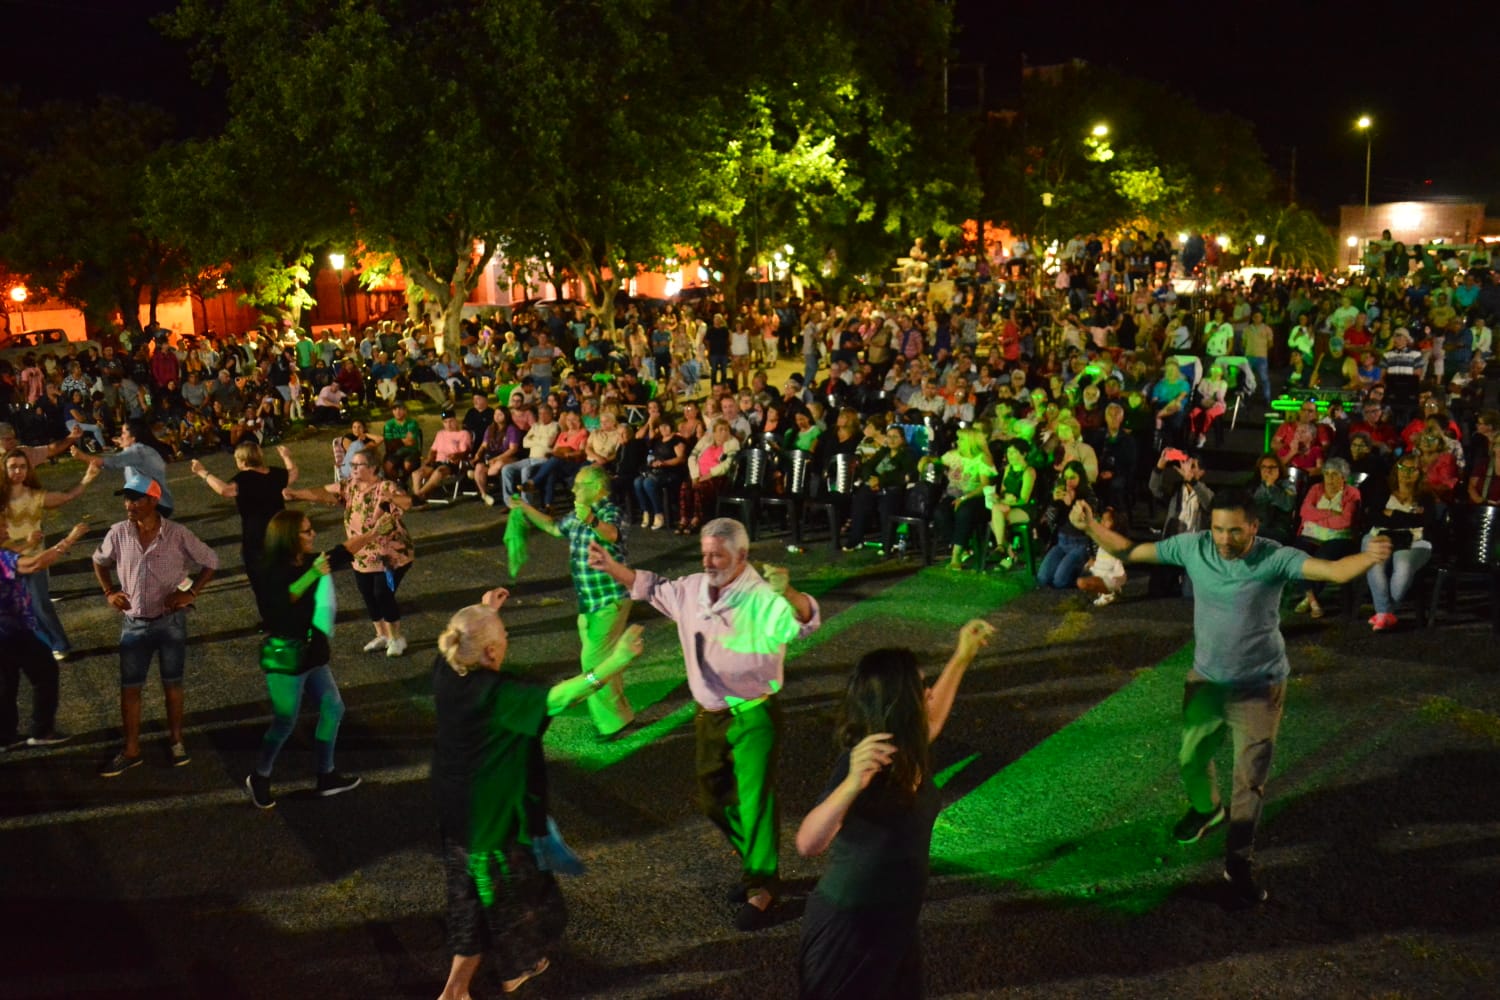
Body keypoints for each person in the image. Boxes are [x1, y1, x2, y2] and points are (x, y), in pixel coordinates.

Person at [1070, 490, 1392, 904]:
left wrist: (1369, 557)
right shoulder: (1195, 546)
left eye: (1235, 531)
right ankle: (1207, 810)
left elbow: (1331, 571)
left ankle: (1238, 862)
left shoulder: (1274, 557)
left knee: (1249, 781)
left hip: (1260, 686)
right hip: (1206, 679)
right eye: (1218, 529)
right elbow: (1132, 551)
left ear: (1254, 528)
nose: (1224, 539)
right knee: (1191, 758)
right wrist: (1090, 526)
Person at [586, 518, 820, 930]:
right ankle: (756, 868)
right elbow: (653, 586)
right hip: (709, 714)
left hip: (753, 714)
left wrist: (791, 593)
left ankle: (762, 888)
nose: (709, 561)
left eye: (718, 554)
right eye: (705, 553)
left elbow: (803, 623)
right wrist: (611, 566)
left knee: (754, 803)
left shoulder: (765, 595)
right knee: (713, 799)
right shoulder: (692, 588)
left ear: (742, 555)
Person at [432, 588, 645, 1000]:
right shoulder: (498, 695)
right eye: (504, 635)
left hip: (454, 814)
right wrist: (612, 664)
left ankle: (458, 988)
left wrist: (486, 611)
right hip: (492, 823)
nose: (508, 639)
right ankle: (505, 973)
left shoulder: (447, 669)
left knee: (468, 900)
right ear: (491, 651)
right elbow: (558, 698)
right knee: (515, 902)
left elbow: (465, 635)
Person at [795, 619, 995, 1000]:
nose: (930, 692)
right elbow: (808, 843)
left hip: (897, 923)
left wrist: (963, 656)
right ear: (900, 702)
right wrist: (852, 784)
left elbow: (934, 719)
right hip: (850, 931)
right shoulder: (866, 761)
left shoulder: (907, 746)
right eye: (922, 687)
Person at [244, 509, 381, 808]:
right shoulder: (268, 568)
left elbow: (341, 552)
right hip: (285, 656)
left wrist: (370, 535)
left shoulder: (308, 560)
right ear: (290, 537)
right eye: (306, 531)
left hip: (313, 653)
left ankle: (326, 775)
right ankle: (260, 775)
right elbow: (279, 604)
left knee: (333, 708)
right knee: (285, 721)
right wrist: (312, 574)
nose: (313, 534)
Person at [91, 471, 219, 777]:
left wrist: (190, 592)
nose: (129, 505)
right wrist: (109, 591)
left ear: (153, 500)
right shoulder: (118, 533)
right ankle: (131, 749)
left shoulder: (177, 534)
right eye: (126, 498)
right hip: (133, 623)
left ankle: (176, 741)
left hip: (170, 622)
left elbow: (211, 560)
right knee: (130, 688)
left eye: (135, 498)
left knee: (172, 685)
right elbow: (98, 560)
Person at [508, 465, 637, 738]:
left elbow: (612, 534)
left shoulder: (607, 511)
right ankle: (620, 714)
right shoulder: (580, 512)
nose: (574, 489)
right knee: (604, 661)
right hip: (589, 603)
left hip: (609, 601)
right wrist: (525, 509)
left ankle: (611, 724)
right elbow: (555, 528)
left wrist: (590, 519)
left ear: (597, 487)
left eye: (579, 484)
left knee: (592, 662)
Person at [283, 450, 416, 656]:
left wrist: (391, 497)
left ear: (372, 468)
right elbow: (325, 492)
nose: (352, 468)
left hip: (391, 556)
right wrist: (296, 493)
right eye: (351, 464)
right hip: (360, 553)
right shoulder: (349, 486)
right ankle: (381, 635)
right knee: (367, 594)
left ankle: (396, 638)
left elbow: (407, 502)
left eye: (358, 465)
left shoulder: (385, 486)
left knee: (383, 593)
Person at [2, 448, 100, 660]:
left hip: (36, 558)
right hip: (8, 561)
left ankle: (60, 644)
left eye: (22, 466)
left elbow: (66, 497)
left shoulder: (36, 497)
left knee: (39, 604)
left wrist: (87, 477)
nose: (17, 471)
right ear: (4, 469)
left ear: (28, 470)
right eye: (12, 467)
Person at [0, 517, 88, 749]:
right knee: (46, 673)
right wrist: (68, 540)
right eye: (0, 525)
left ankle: (4, 737)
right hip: (14, 633)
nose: (6, 527)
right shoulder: (3, 559)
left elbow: (13, 555)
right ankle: (41, 731)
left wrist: (28, 544)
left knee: (6, 685)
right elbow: (35, 565)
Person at [190, 442, 298, 620]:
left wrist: (202, 472)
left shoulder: (243, 479)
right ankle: (291, 614)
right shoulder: (276, 474)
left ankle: (272, 620)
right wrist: (286, 456)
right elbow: (293, 474)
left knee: (262, 582)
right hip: (281, 534)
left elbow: (224, 490)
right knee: (284, 576)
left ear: (242, 460)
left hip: (257, 539)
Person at [1361, 457, 1438, 632]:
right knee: (1375, 563)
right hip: (1380, 535)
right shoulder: (1383, 491)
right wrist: (1409, 519)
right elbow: (1373, 517)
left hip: (1414, 541)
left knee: (1403, 567)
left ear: (1420, 473)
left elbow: (1426, 522)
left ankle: (1385, 612)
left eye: (1413, 470)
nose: (1406, 473)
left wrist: (1392, 515)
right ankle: (1385, 614)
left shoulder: (1425, 497)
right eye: (1403, 468)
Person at [79, 418, 178, 517]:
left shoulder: (137, 451)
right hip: (160, 504)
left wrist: (81, 456)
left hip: (155, 506)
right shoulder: (143, 449)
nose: (121, 436)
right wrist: (125, 445)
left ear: (133, 436)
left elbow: (108, 462)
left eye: (123, 433)